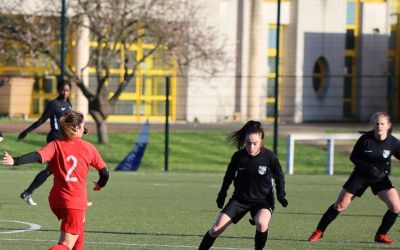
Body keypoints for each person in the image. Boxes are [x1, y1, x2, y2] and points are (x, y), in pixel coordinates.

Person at [2, 111, 109, 250]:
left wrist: (15, 161)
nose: (84, 129)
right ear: (76, 128)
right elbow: (104, 173)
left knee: (81, 222)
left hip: (57, 199)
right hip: (74, 201)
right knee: (65, 245)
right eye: (83, 126)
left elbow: (37, 155)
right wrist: (100, 184)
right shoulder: (88, 148)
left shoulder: (56, 144)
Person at [308, 112, 400, 244]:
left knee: (396, 207)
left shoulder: (393, 142)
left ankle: (380, 235)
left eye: (382, 123)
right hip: (359, 177)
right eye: (377, 123)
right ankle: (319, 231)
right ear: (373, 125)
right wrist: (365, 167)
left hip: (379, 178)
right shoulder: (365, 139)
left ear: (388, 125)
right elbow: (353, 157)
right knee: (340, 205)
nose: (379, 126)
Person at [198, 120, 288, 250]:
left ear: (261, 141)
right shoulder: (238, 157)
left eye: (255, 143)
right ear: (244, 141)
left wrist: (281, 194)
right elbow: (228, 176)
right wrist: (222, 193)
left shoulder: (269, 157)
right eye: (248, 143)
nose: (251, 147)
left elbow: (279, 176)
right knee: (216, 229)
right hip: (240, 200)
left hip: (262, 201)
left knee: (262, 223)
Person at [18, 80, 72, 205]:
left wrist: (81, 129)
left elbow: (70, 122)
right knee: (59, 168)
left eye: (67, 90)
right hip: (55, 137)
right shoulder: (53, 104)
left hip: (64, 139)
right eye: (63, 90)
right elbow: (41, 120)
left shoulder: (68, 104)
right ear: (58, 89)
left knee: (52, 170)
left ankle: (27, 193)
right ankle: (70, 197)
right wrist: (26, 131)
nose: (65, 92)